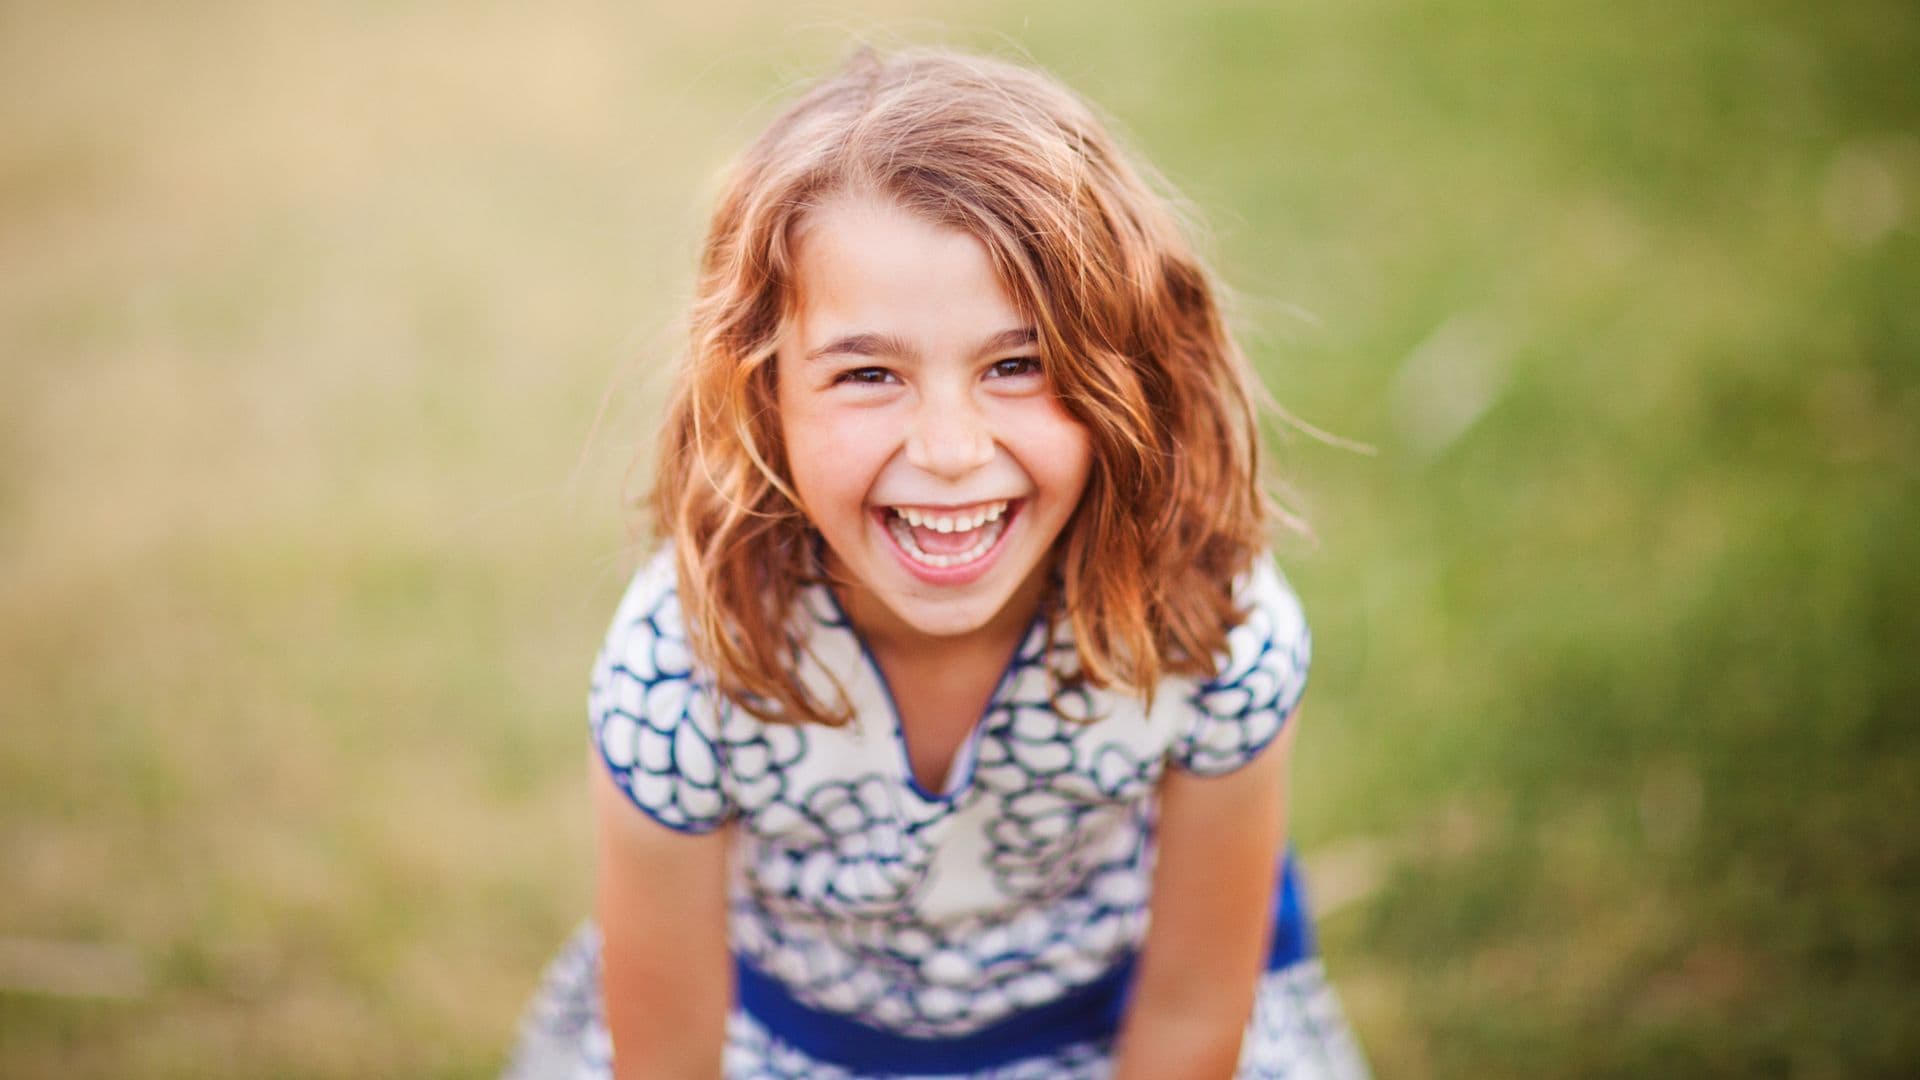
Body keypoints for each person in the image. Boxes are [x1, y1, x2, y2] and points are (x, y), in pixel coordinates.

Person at [508, 45, 1368, 1080]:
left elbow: (1191, 1013)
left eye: (1019, 365)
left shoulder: (1211, 629)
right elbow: (669, 1054)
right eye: (869, 373)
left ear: (1126, 374)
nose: (951, 451)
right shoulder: (684, 667)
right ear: (761, 394)